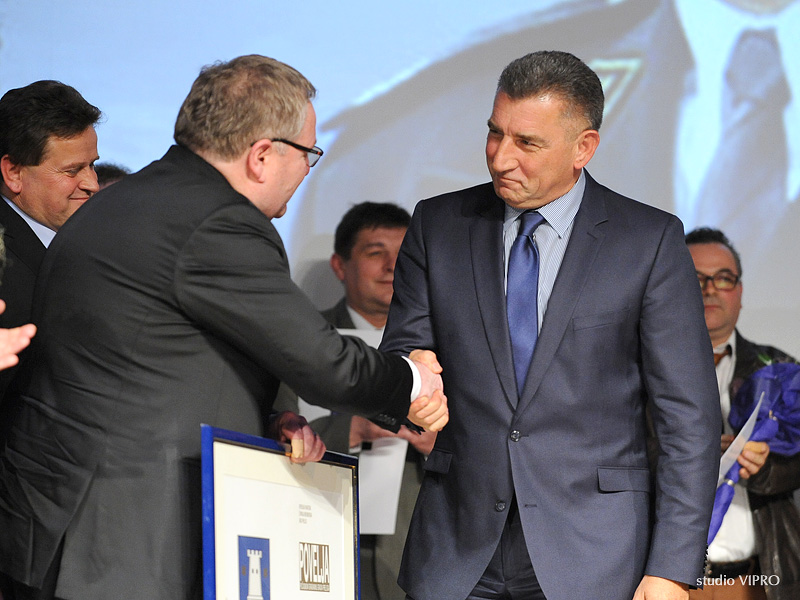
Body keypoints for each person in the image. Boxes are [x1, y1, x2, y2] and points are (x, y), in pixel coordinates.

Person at [0, 55, 448, 600]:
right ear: (261, 156)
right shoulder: (218, 221)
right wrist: (414, 381)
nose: (308, 170)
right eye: (308, 154)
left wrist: (270, 419)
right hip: (124, 537)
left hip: (64, 522)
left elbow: (156, 360)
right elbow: (324, 364)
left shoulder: (127, 200)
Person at [379, 50, 720, 600]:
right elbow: (402, 349)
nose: (500, 158)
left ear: (584, 147)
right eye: (495, 133)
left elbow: (689, 418)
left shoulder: (648, 241)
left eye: (527, 143)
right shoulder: (438, 224)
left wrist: (673, 568)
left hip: (596, 556)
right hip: (457, 547)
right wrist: (411, 376)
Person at [276, 201, 434, 600]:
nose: (391, 267)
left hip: (418, 551)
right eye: (375, 252)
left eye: (403, 255)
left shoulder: (444, 346)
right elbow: (270, 425)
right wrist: (353, 428)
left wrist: (439, 443)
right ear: (339, 265)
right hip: (317, 537)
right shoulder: (298, 338)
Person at [685, 227, 800, 600]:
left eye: (723, 278)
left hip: (756, 581)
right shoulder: (637, 368)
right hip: (668, 581)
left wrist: (764, 466)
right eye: (695, 278)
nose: (710, 289)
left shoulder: (780, 367)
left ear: (740, 291)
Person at [0, 80, 100, 399]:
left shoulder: (91, 242)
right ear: (14, 173)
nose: (92, 184)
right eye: (72, 171)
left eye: (93, 165)